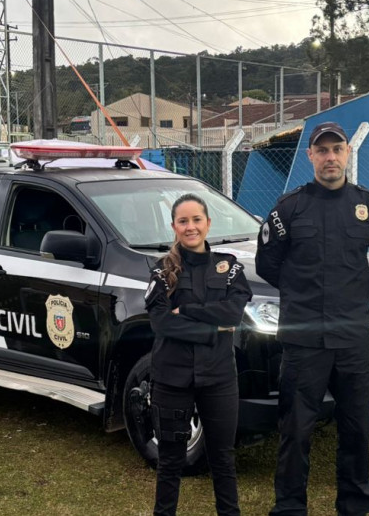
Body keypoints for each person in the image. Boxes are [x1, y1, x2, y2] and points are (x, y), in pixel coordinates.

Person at [256, 121, 369, 515]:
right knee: (295, 430)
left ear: (347, 153)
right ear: (310, 156)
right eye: (322, 150)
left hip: (352, 339)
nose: (330, 157)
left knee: (356, 428)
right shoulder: (289, 207)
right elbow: (267, 264)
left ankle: (355, 505)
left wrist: (354, 291)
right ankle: (290, 507)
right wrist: (303, 293)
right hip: (303, 342)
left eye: (337, 149)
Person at [144, 193, 252, 516]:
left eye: (196, 220)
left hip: (219, 378)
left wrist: (188, 310)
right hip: (171, 378)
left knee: (223, 458)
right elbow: (162, 323)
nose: (190, 227)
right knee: (170, 460)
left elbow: (233, 314)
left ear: (208, 223)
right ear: (174, 227)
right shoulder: (162, 272)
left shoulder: (229, 267)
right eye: (183, 221)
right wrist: (211, 331)